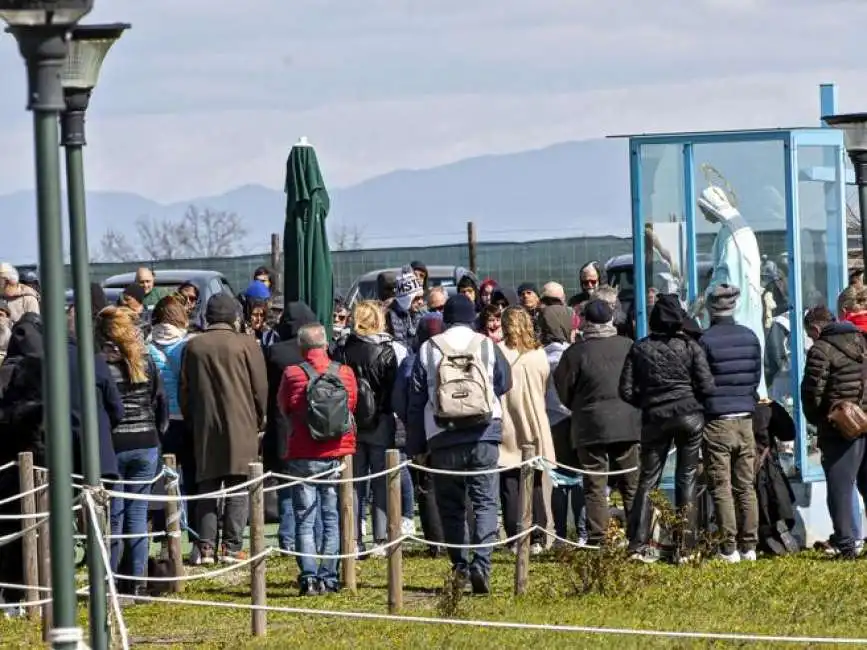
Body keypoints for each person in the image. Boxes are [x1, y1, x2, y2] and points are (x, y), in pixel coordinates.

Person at [406, 294, 512, 594]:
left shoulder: (429, 348)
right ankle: (482, 563)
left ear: (445, 318)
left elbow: (415, 402)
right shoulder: (487, 345)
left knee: (451, 506)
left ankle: (460, 566)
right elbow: (505, 382)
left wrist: (417, 447)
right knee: (485, 501)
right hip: (483, 432)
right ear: (472, 316)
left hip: (442, 436)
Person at [619, 294, 715, 563]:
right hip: (689, 416)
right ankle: (686, 546)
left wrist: (649, 401)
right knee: (687, 478)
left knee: (648, 480)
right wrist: (689, 399)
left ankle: (638, 544)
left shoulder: (640, 348)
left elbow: (625, 389)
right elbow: (707, 386)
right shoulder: (691, 347)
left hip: (655, 417)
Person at [180, 294, 268, 564]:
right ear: (234, 316)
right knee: (238, 486)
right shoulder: (246, 344)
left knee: (207, 485)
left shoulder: (194, 347)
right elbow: (260, 388)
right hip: (241, 423)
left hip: (205, 424)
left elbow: (185, 390)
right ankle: (231, 547)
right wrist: (260, 418)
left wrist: (192, 419)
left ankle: (205, 547)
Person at [278, 323, 357, 594]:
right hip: (336, 452)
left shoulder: (292, 373)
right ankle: (329, 576)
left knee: (305, 518)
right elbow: (351, 405)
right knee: (332, 516)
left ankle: (309, 577)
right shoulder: (344, 373)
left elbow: (283, 405)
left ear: (301, 347)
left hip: (302, 451)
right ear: (325, 344)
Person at [554, 299, 639, 547]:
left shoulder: (575, 352)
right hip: (626, 423)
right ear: (611, 319)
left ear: (585, 322)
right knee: (630, 482)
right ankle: (637, 536)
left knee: (594, 484)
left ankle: (598, 537)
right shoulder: (628, 346)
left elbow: (563, 389)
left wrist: (580, 408)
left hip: (589, 425)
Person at [97, 306, 168, 591]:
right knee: (137, 514)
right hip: (146, 440)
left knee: (114, 515)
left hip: (114, 443)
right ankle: (136, 581)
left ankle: (111, 579)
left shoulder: (100, 364)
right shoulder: (147, 361)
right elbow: (159, 401)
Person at [333, 300, 406, 555]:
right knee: (381, 481)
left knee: (353, 482)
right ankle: (380, 539)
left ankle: (353, 538)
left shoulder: (342, 349)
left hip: (350, 421)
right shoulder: (386, 350)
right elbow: (392, 390)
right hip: (381, 421)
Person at [698, 285, 762, 563]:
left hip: (717, 420)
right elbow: (755, 375)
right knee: (745, 485)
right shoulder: (750, 337)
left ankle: (729, 547)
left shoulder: (705, 340)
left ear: (711, 308)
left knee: (721, 485)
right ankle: (750, 546)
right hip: (745, 419)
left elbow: (701, 381)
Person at [801, 301, 867, 559]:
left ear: (816, 329)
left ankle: (847, 544)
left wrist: (819, 419)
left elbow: (812, 393)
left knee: (840, 486)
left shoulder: (821, 350)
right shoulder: (861, 341)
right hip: (864, 421)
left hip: (840, 427)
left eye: (809, 334)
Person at [263, 302, 322, 553]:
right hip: (315, 425)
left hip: (281, 426)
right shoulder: (315, 351)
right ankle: (317, 540)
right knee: (316, 487)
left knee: (287, 486)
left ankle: (288, 539)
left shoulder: (273, 353)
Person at [497, 306, 554, 554]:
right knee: (536, 481)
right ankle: (538, 535)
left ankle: (515, 537)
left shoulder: (498, 351)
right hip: (535, 419)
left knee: (509, 482)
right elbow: (544, 385)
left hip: (508, 420)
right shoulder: (539, 354)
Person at [392, 314, 446, 555]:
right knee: (457, 483)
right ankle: (462, 537)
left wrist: (411, 423)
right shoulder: (451, 355)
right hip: (453, 427)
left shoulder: (411, 362)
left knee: (427, 486)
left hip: (422, 432)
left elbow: (398, 400)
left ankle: (436, 542)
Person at [541, 305, 587, 545]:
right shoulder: (572, 354)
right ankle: (581, 532)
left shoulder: (540, 356)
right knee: (579, 478)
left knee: (558, 480)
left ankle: (559, 534)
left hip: (552, 422)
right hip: (575, 419)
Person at [386, 266, 424, 344]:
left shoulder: (420, 314)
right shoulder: (390, 317)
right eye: (416, 298)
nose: (421, 302)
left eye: (421, 298)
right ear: (406, 299)